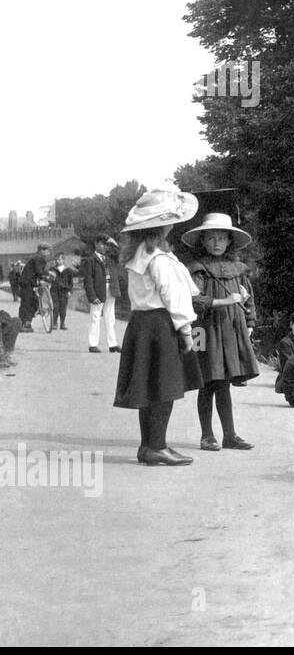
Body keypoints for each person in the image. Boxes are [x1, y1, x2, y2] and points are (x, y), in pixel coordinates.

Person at [112, 188, 203, 467]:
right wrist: (186, 331)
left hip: (141, 325)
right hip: (161, 325)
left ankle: (148, 445)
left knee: (149, 387)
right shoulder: (160, 259)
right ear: (162, 226)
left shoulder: (138, 255)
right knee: (165, 386)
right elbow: (173, 297)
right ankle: (157, 445)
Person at [182, 213, 259, 452]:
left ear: (229, 241)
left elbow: (249, 300)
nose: (216, 243)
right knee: (207, 381)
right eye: (211, 238)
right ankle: (207, 436)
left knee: (224, 382)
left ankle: (230, 435)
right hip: (204, 331)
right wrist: (225, 301)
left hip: (231, 330)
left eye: (221, 238)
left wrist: (250, 322)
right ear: (202, 241)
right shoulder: (197, 269)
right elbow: (195, 301)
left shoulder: (239, 269)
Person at [85, 234, 121, 353]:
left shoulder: (110, 258)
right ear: (96, 244)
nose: (104, 246)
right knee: (95, 316)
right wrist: (92, 296)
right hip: (98, 289)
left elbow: (118, 253)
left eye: (106, 244)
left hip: (111, 288)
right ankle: (93, 344)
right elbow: (88, 279)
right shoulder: (91, 260)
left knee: (110, 317)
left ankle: (112, 344)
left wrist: (113, 242)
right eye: (102, 244)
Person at [17, 244, 51, 332]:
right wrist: (48, 275)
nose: (49, 253)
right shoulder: (38, 259)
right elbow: (39, 271)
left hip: (28, 283)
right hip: (27, 283)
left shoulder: (36, 257)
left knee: (30, 303)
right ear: (41, 250)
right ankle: (25, 324)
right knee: (28, 303)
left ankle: (24, 323)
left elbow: (38, 273)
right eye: (47, 250)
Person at [48, 253, 75, 330]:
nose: (57, 261)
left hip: (64, 291)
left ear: (63, 260)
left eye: (59, 259)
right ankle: (55, 323)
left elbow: (71, 282)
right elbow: (49, 280)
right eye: (56, 259)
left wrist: (70, 291)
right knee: (55, 307)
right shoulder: (52, 270)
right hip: (54, 291)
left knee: (63, 308)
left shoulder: (68, 270)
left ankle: (62, 323)